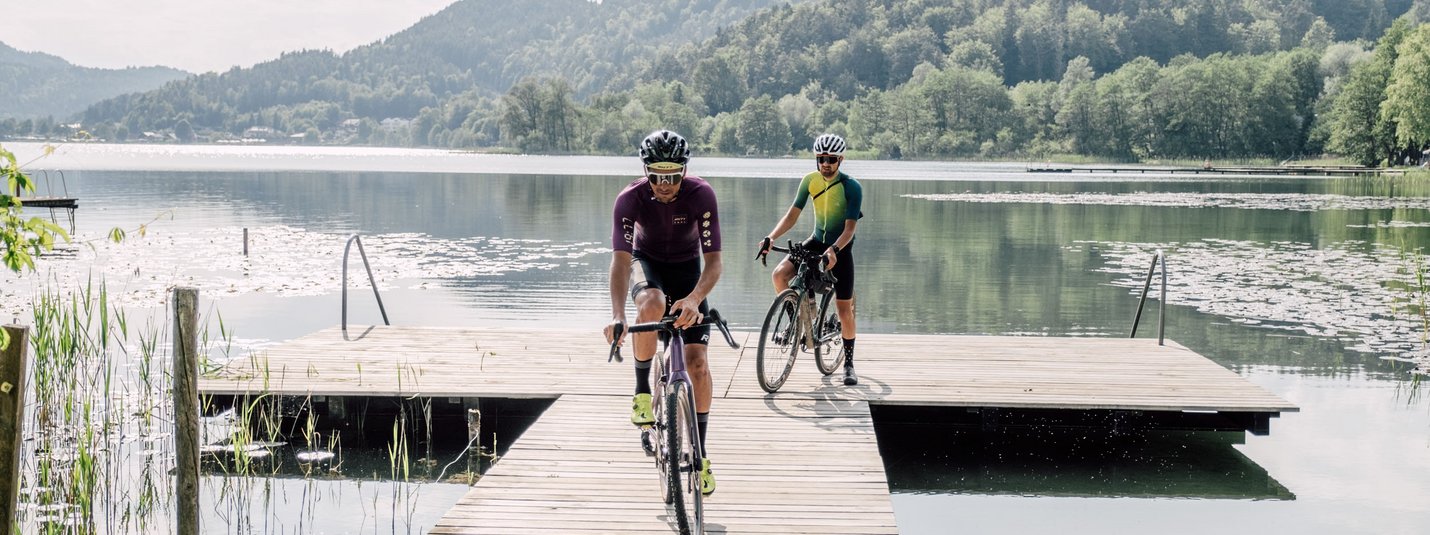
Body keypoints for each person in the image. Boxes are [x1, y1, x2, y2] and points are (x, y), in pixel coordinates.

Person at [603, 129, 722, 496]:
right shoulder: (630, 199)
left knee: (698, 363)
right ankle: (641, 391)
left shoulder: (701, 195)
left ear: (684, 171)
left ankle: (700, 454)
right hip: (647, 264)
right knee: (651, 304)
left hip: (689, 271)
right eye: (657, 175)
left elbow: (714, 263)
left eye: (673, 175)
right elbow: (621, 263)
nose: (666, 184)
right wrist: (618, 315)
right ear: (646, 171)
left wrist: (694, 298)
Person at [756, 133, 864, 386]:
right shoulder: (809, 181)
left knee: (844, 310)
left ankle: (848, 363)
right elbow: (792, 215)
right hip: (815, 240)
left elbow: (849, 230)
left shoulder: (851, 187)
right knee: (779, 275)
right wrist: (770, 238)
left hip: (840, 248)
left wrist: (834, 250)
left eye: (831, 159)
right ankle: (799, 322)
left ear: (840, 160)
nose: (826, 163)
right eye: (821, 159)